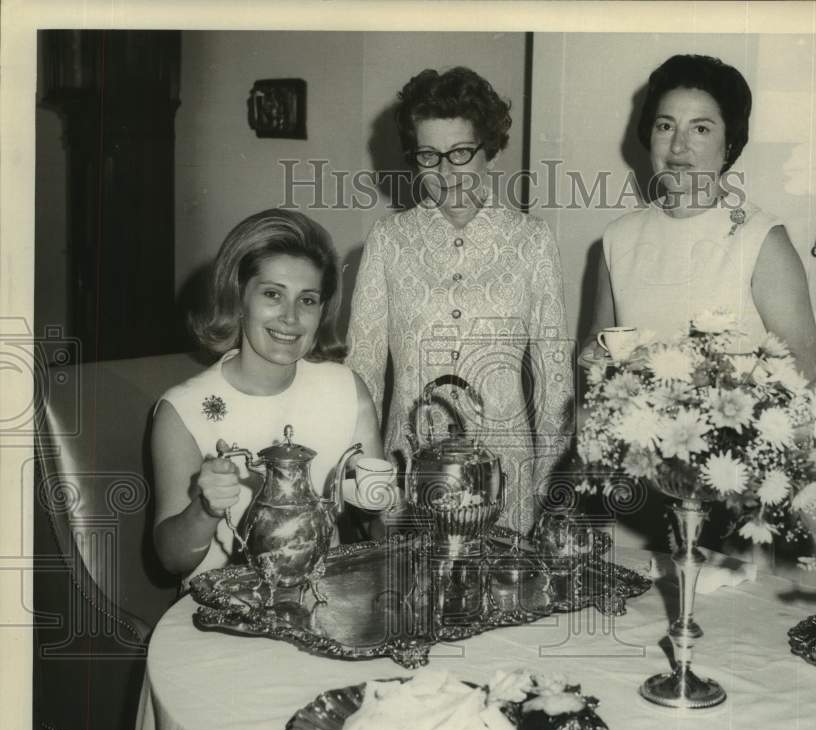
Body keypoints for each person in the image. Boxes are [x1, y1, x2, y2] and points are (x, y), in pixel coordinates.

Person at [346, 67, 573, 535]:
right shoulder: (389, 240)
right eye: (429, 156)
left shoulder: (532, 241)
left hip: (506, 480)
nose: (446, 172)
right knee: (409, 604)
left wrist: (551, 492)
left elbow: (555, 380)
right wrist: (369, 485)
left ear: (488, 149)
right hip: (406, 478)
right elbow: (361, 372)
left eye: (461, 153)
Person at [151, 209, 387, 587]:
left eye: (308, 300)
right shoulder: (182, 409)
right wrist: (206, 508)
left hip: (321, 603)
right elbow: (171, 559)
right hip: (221, 617)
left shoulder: (347, 390)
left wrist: (401, 510)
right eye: (273, 294)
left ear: (322, 309)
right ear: (238, 296)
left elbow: (378, 521)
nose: (291, 318)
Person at [589, 54, 816, 380]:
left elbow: (802, 370)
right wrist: (594, 356)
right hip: (633, 428)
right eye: (665, 126)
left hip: (729, 428)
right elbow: (598, 340)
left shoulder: (761, 239)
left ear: (729, 145)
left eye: (700, 128)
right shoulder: (617, 237)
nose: (678, 147)